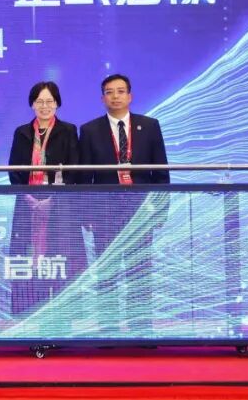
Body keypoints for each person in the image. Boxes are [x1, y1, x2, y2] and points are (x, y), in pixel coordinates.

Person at [78, 74, 169, 327]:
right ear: (102, 98)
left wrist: (160, 211)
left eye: (120, 91)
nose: (115, 96)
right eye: (109, 92)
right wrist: (86, 214)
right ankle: (108, 328)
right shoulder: (89, 130)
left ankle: (141, 328)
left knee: (140, 270)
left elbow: (161, 173)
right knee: (107, 271)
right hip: (105, 211)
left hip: (141, 210)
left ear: (130, 96)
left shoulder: (149, 126)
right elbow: (84, 177)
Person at [6, 81, 83, 315]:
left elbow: (74, 169)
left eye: (50, 101)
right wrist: (29, 198)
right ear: (32, 104)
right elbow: (13, 170)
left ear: (57, 103)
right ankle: (26, 319)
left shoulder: (68, 130)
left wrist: (54, 199)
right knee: (27, 261)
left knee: (58, 260)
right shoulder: (22, 133)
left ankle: (61, 321)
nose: (44, 106)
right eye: (39, 101)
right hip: (26, 204)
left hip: (59, 206)